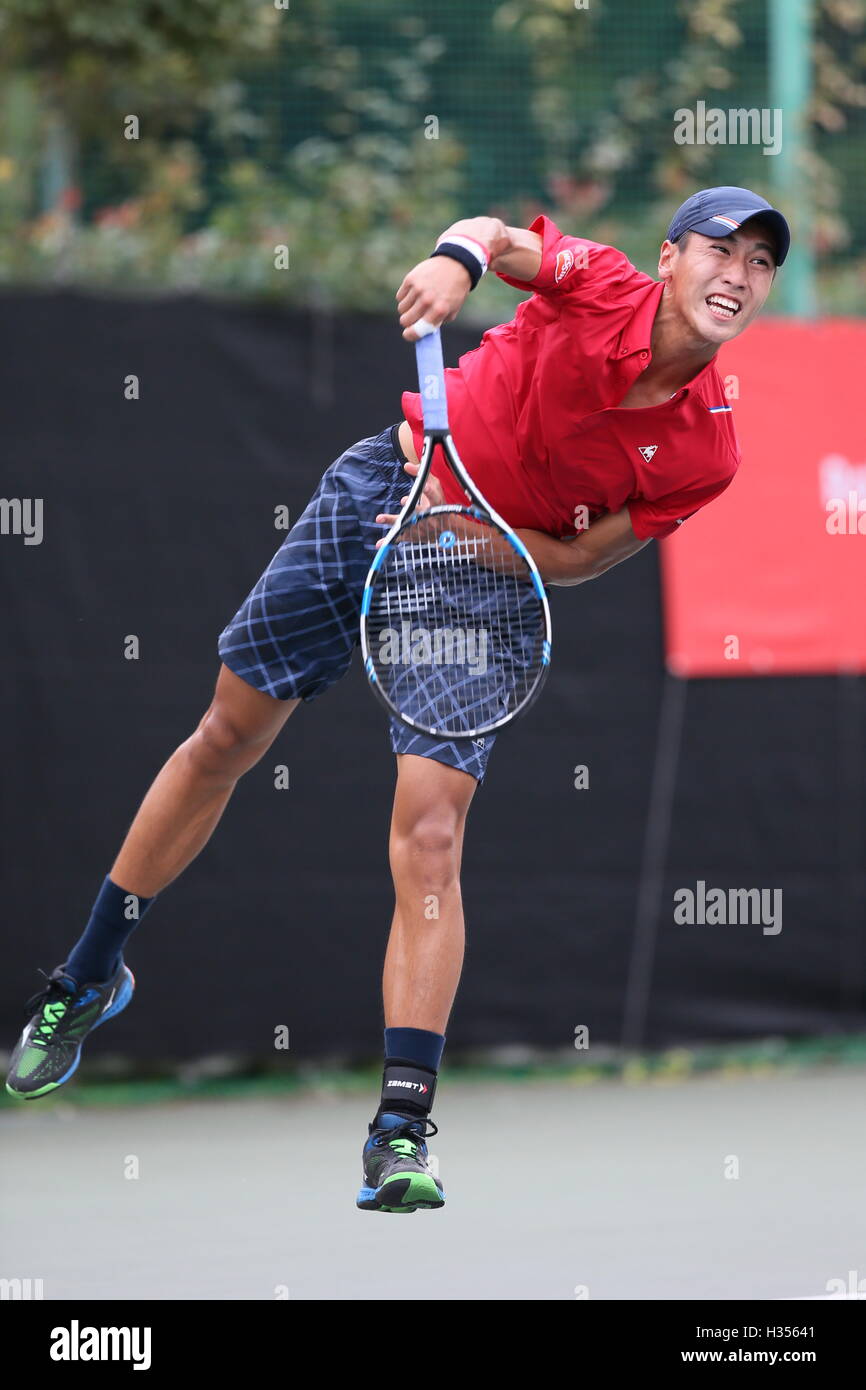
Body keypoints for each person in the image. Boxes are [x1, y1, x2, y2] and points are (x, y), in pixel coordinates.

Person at [6, 185, 790, 1214]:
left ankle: (399, 1130)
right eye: (717, 250)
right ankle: (87, 977)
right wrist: (454, 264)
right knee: (223, 737)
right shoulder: (597, 281)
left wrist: (476, 538)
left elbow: (586, 553)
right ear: (667, 257)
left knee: (429, 834)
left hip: (485, 575)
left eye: (758, 263)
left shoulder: (708, 450)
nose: (735, 274)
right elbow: (496, 234)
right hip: (382, 486)